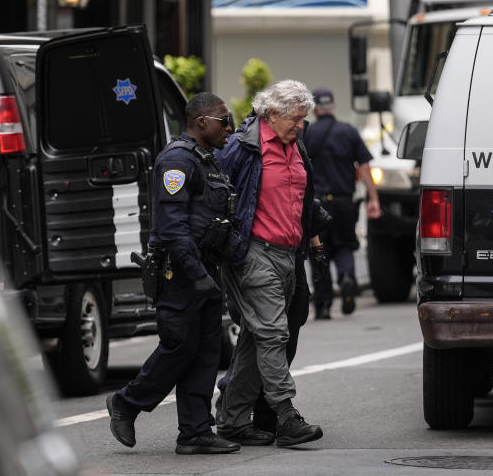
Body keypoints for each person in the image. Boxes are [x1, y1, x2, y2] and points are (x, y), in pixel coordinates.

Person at [106, 92, 241, 455]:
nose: (228, 127)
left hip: (205, 268)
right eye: (222, 120)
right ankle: (126, 402)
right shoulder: (177, 161)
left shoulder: (209, 160)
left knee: (206, 352)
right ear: (201, 122)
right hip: (180, 272)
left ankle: (195, 432)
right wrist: (196, 273)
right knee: (179, 346)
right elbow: (171, 227)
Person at [214, 79, 325, 448]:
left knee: (254, 338)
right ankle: (285, 415)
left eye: (303, 119)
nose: (300, 125)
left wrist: (314, 238)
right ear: (271, 113)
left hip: (289, 254)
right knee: (274, 333)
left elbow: (302, 198)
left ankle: (231, 419)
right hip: (253, 252)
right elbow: (214, 197)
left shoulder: (296, 145)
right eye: (295, 118)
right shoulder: (242, 148)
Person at [304, 87, 381, 320]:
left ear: (315, 108)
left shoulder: (308, 134)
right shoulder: (348, 131)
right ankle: (347, 278)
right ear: (334, 105)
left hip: (317, 205)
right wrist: (373, 198)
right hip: (345, 203)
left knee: (320, 251)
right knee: (346, 245)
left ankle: (323, 304)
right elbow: (365, 166)